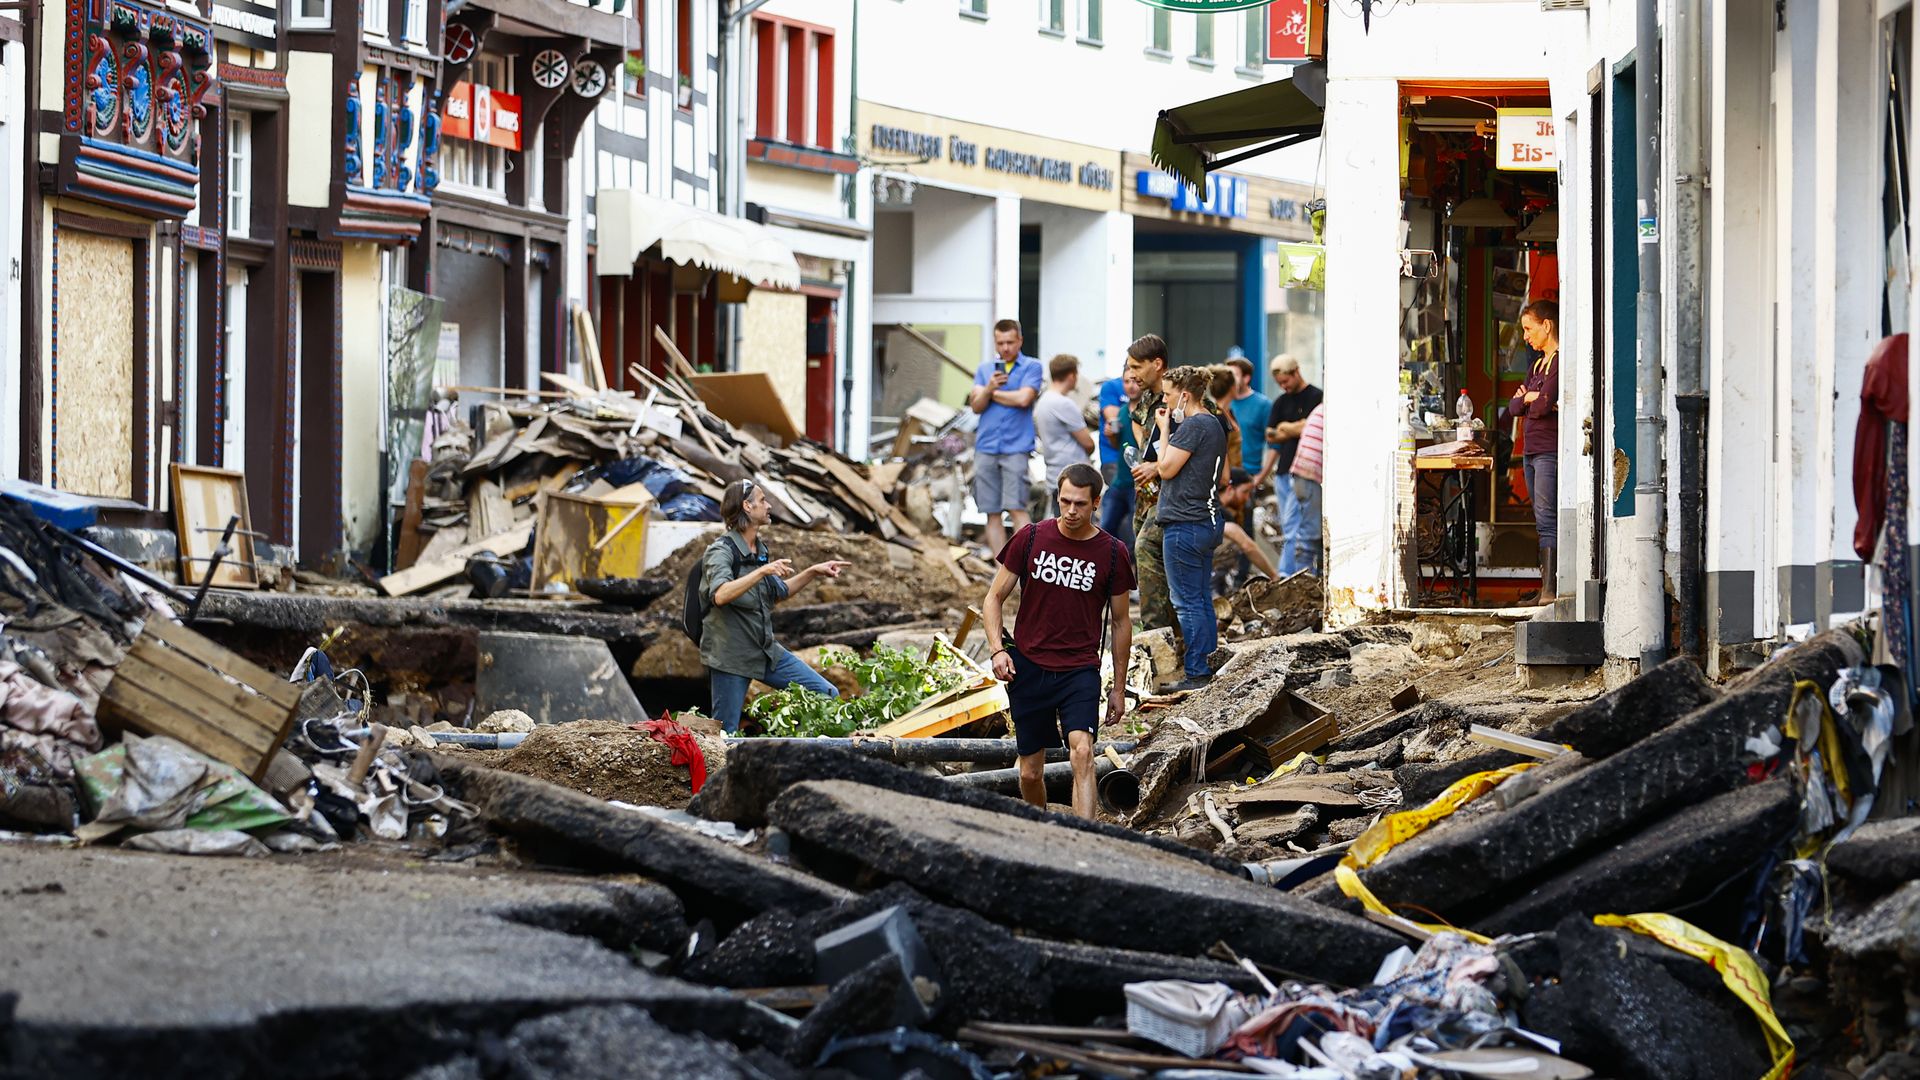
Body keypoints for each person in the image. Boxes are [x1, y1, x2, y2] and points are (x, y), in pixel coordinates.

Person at [982, 463, 1135, 818]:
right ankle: (1040, 834)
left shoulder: (1112, 553)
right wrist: (997, 650)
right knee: (1029, 772)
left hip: (1079, 669)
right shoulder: (1031, 537)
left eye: (1080, 504)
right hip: (1029, 666)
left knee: (1081, 752)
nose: (1070, 511)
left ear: (1096, 502)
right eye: (1065, 501)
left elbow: (1121, 621)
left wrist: (1119, 688)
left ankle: (1084, 842)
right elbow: (993, 598)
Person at [701, 480, 852, 733]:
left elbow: (778, 593)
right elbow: (720, 594)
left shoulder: (759, 550)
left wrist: (813, 572)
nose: (769, 505)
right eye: (762, 500)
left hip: (766, 651)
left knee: (827, 693)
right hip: (731, 657)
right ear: (747, 506)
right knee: (724, 734)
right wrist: (762, 571)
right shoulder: (721, 551)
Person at [1149, 366, 1229, 691]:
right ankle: (1205, 667)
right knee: (1200, 599)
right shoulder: (1214, 424)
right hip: (1205, 521)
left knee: (1187, 602)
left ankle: (1197, 673)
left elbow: (1166, 468)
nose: (1165, 401)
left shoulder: (1194, 425)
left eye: (1168, 394)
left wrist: (1164, 429)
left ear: (1184, 395)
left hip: (1185, 523)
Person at [968, 318, 1044, 555]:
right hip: (986, 446)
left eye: (1010, 342)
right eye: (1000, 343)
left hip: (1015, 447)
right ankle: (1000, 569)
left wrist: (991, 393)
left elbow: (1024, 399)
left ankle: (1025, 566)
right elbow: (976, 406)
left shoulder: (1032, 366)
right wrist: (989, 390)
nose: (1005, 348)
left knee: (1016, 508)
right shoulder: (984, 370)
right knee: (991, 512)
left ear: (1020, 340)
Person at [1203, 366, 1280, 583]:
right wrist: (1226, 480)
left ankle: (1234, 580)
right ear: (1232, 388)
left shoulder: (1227, 414)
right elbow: (1219, 454)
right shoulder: (1216, 417)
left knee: (1241, 533)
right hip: (1224, 484)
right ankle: (1222, 582)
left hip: (1233, 480)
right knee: (1236, 536)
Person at [1507, 300, 1561, 601]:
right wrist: (1532, 398)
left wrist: (1532, 398)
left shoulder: (1558, 362)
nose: (1526, 336)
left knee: (1547, 518)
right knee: (1540, 518)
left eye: (1529, 329)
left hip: (1548, 451)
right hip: (1531, 450)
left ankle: (1550, 590)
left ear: (1547, 325)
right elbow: (1516, 406)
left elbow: (1542, 405)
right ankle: (1546, 586)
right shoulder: (1536, 366)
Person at [1123, 335, 1175, 634]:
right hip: (1147, 498)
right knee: (1151, 567)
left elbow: (1212, 437)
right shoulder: (1145, 400)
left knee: (1147, 550)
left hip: (1174, 495)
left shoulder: (1183, 395)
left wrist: (1157, 466)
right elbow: (1142, 435)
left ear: (1157, 364)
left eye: (1137, 367)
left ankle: (1156, 635)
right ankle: (1168, 636)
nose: (1132, 374)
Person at [1254, 355, 1324, 577]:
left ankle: (1289, 573)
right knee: (1289, 525)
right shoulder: (1281, 402)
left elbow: (1309, 426)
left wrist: (1286, 428)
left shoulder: (1316, 396)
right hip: (1284, 472)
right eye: (1280, 384)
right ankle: (1296, 572)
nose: (1283, 387)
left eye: (1286, 381)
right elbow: (1271, 435)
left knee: (1298, 525)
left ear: (1296, 372)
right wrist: (1294, 428)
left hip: (1306, 473)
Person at [1034, 354, 1096, 514]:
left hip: (1055, 474)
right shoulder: (1063, 403)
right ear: (1071, 375)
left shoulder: (1043, 401)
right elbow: (1088, 443)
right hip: (1074, 478)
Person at [1097, 371, 1137, 549]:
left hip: (1138, 483)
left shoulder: (1147, 412)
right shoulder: (1122, 411)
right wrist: (1111, 435)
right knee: (1105, 530)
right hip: (1120, 481)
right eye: (1126, 381)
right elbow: (1116, 446)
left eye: (1135, 381)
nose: (1130, 385)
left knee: (1133, 535)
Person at [1288, 403, 1326, 576]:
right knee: (1310, 534)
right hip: (1309, 476)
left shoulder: (1321, 409)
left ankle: (1314, 577)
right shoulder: (1332, 413)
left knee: (1315, 534)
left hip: (1302, 475)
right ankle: (1303, 580)